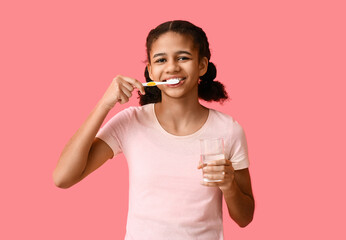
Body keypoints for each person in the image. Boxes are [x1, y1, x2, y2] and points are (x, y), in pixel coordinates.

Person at [53, 20, 255, 239]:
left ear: (202, 65)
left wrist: (229, 185)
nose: (172, 67)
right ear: (150, 71)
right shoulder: (131, 122)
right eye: (161, 60)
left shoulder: (228, 130)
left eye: (183, 57)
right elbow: (63, 178)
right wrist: (104, 104)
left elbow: (245, 218)